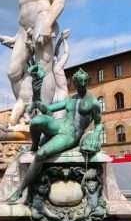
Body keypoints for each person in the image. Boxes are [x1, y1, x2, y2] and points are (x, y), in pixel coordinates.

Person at [8, 68, 103, 202]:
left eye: (83, 81)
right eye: (78, 81)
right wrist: (37, 97)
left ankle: (20, 190)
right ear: (74, 83)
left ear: (87, 81)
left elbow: (99, 123)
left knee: (41, 155)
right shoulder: (70, 99)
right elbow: (48, 110)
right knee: (36, 121)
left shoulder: (93, 102)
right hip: (61, 124)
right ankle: (34, 146)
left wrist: (96, 134)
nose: (81, 84)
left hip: (70, 134)